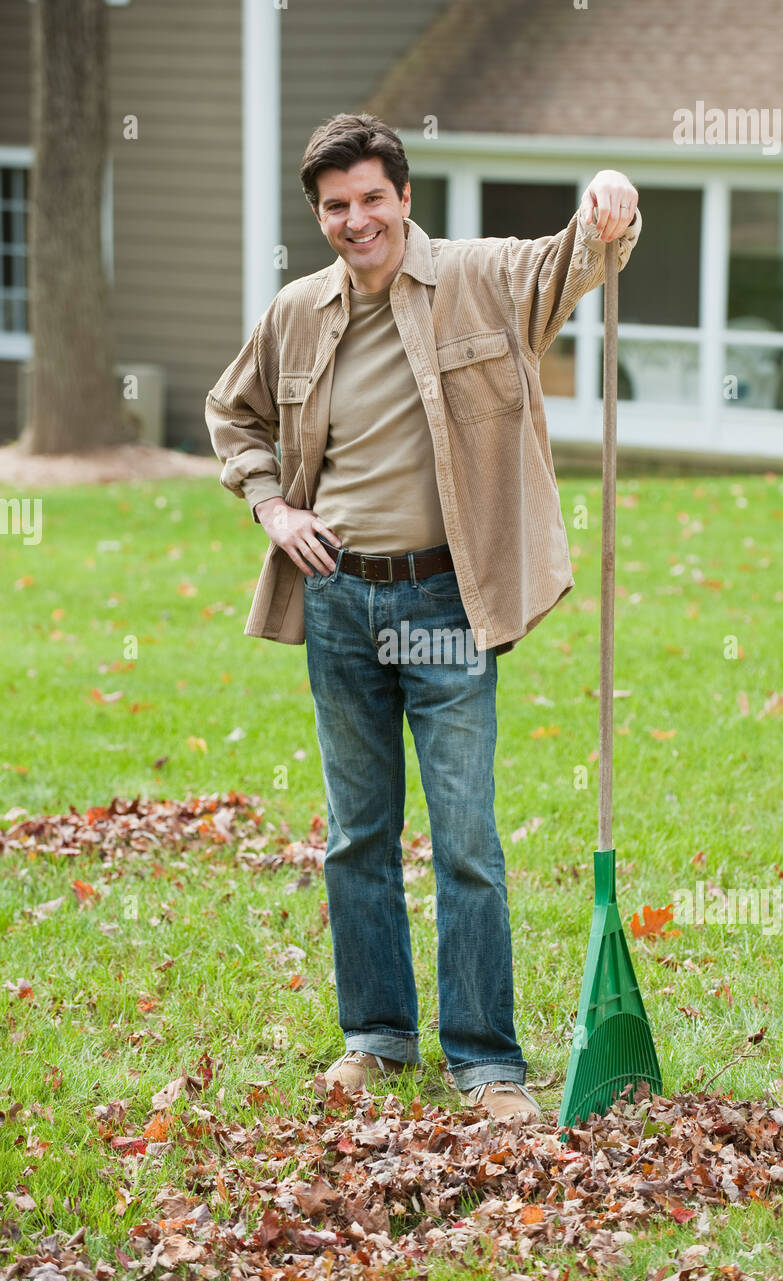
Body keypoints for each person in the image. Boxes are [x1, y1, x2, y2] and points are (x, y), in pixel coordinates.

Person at [205, 112, 642, 1124]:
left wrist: (611, 188)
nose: (355, 221)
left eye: (370, 199)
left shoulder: (484, 279)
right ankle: (378, 1036)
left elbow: (582, 254)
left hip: (447, 597)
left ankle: (486, 1058)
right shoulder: (297, 313)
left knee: (466, 835)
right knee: (358, 832)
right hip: (342, 598)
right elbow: (237, 415)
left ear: (405, 196)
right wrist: (273, 505)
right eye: (334, 207)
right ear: (319, 215)